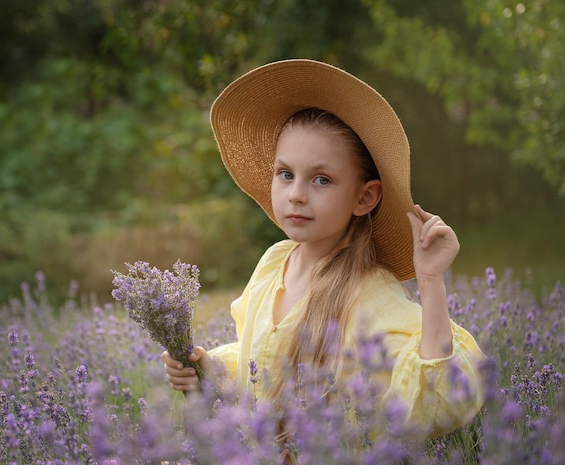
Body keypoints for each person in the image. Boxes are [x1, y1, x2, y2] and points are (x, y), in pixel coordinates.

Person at [161, 59, 485, 438]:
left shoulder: (369, 294)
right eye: (286, 174)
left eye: (321, 179)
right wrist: (207, 367)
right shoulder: (273, 263)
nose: (296, 195)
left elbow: (438, 407)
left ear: (365, 197)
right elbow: (261, 362)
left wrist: (431, 282)